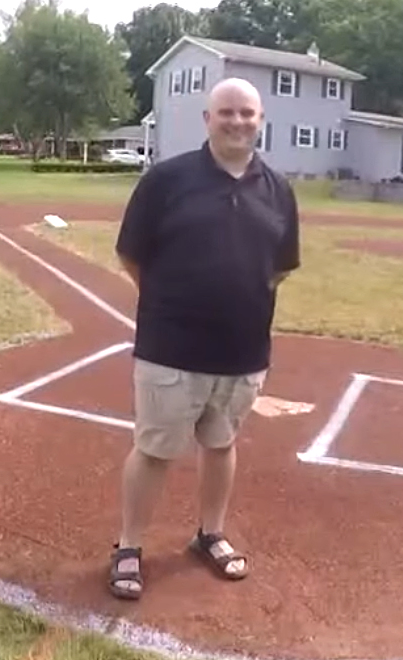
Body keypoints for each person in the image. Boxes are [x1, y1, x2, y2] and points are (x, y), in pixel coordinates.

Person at [106, 77, 301, 599]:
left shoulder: (278, 189)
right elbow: (131, 254)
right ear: (207, 119)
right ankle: (129, 546)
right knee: (154, 449)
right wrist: (173, 302)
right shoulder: (167, 181)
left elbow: (278, 268)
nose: (237, 121)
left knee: (221, 444)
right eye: (226, 113)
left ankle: (209, 534)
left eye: (247, 113)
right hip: (172, 349)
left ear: (260, 120)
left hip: (242, 352)